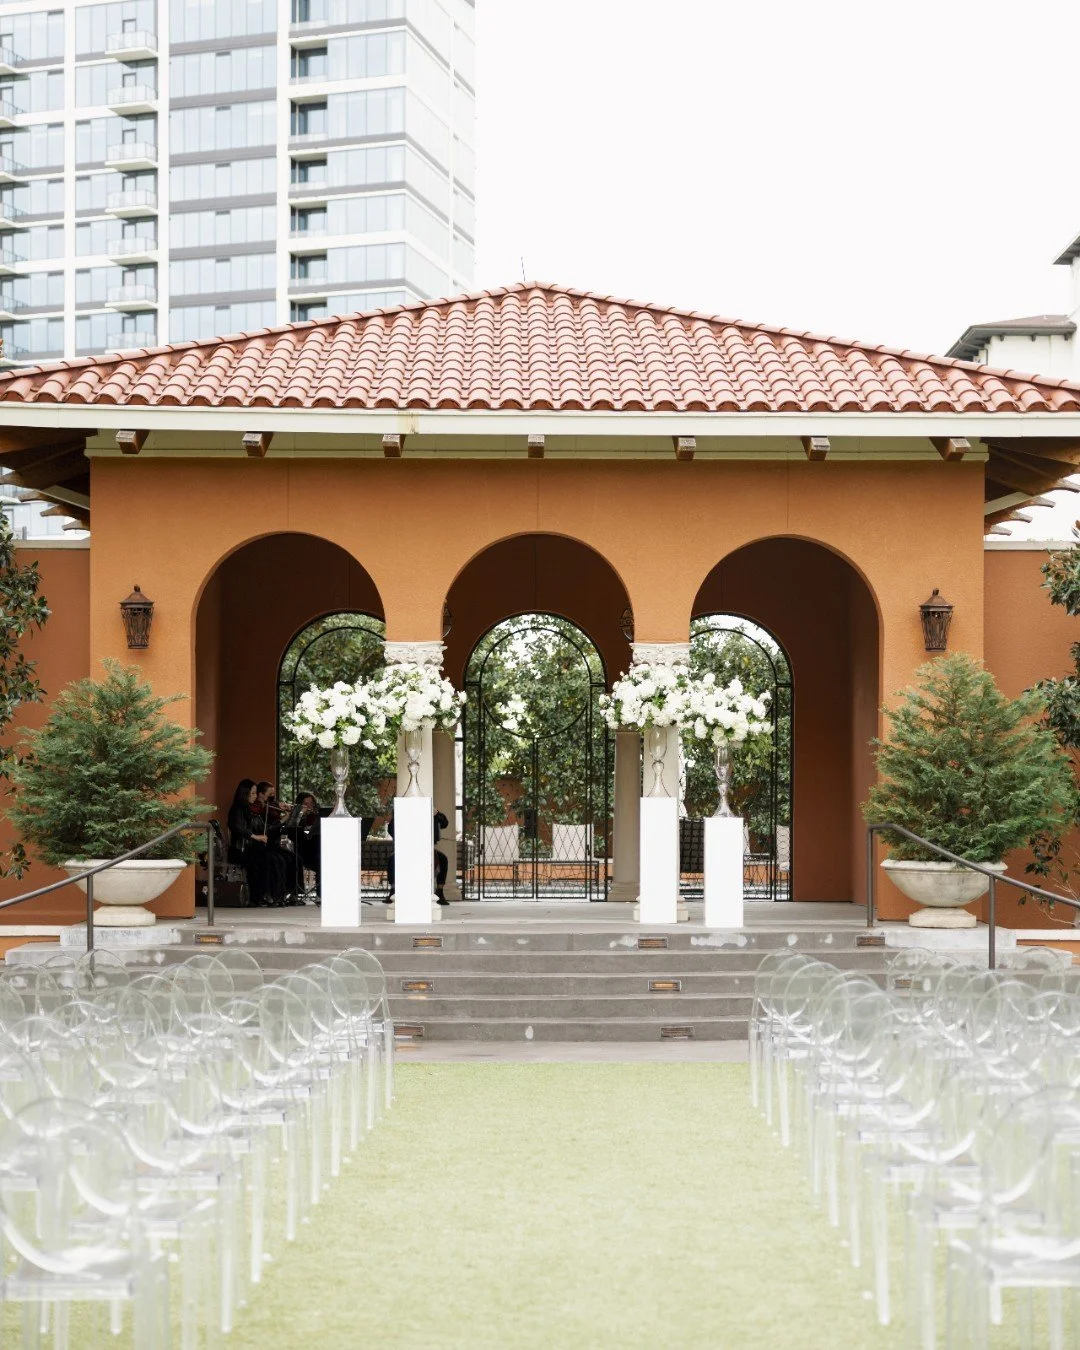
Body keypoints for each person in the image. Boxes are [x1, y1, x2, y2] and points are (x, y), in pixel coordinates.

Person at [227, 778, 287, 907]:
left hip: (252, 848)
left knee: (278, 859)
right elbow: (238, 827)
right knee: (266, 859)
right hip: (241, 850)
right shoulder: (237, 809)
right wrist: (256, 837)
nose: (255, 796)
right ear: (245, 793)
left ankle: (276, 895)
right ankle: (258, 896)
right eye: (253, 793)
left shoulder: (251, 810)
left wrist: (279, 820)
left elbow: (262, 827)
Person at [386, 807, 451, 905]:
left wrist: (437, 814)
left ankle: (440, 891)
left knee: (443, 859)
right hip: (406, 848)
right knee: (392, 859)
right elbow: (391, 829)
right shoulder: (403, 811)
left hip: (425, 848)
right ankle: (394, 890)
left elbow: (444, 823)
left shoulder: (429, 811)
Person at [288, 791, 322, 902]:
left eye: (311, 803)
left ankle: (321, 895)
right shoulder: (296, 817)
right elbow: (292, 835)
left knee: (324, 860)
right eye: (306, 804)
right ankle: (295, 893)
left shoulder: (317, 817)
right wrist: (301, 817)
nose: (309, 806)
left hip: (316, 850)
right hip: (303, 851)